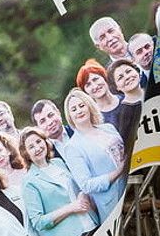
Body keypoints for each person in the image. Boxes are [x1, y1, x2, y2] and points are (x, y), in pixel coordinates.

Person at [21, 127, 98, 236]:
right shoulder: (29, 182)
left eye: (38, 142)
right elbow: (39, 222)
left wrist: (83, 195)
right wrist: (71, 208)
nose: (37, 147)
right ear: (26, 154)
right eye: (31, 146)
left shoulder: (59, 163)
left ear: (45, 142)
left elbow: (77, 188)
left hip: (91, 226)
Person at [54, 91, 127, 223]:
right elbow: (86, 185)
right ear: (69, 115)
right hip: (112, 203)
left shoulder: (108, 128)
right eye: (74, 109)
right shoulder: (72, 146)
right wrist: (117, 172)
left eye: (82, 105)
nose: (79, 111)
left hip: (132, 187)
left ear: (89, 106)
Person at [106, 59, 146, 149]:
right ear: (117, 87)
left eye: (128, 71)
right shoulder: (122, 115)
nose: (127, 77)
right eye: (120, 77)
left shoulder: (153, 91)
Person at [76, 59, 122, 129]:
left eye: (95, 79)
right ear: (85, 92)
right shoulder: (93, 120)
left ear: (104, 77)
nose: (95, 86)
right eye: (88, 85)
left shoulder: (127, 98)